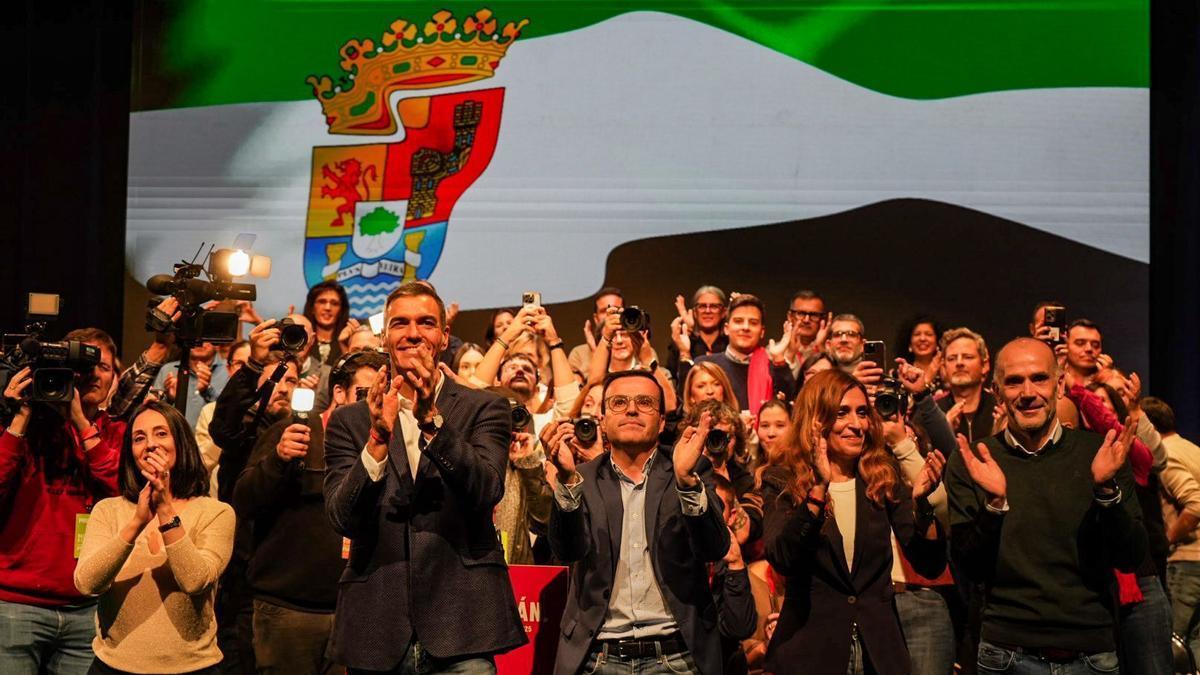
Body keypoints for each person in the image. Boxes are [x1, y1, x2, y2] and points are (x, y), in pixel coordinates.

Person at [322, 282, 524, 673]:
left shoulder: (486, 407)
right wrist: (378, 440)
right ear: (385, 335)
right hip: (377, 626)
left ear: (444, 335)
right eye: (401, 323)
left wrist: (433, 420)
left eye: (426, 322)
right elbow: (341, 518)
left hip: (463, 623)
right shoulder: (350, 420)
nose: (413, 333)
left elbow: (487, 490)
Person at [945, 338, 1145, 674]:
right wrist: (995, 505)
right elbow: (970, 568)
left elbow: (1131, 556)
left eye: (1039, 378)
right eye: (1013, 381)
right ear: (996, 390)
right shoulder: (975, 460)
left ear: (1060, 383)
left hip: (1091, 654)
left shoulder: (1102, 454)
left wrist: (1106, 490)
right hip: (1006, 653)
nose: (1027, 392)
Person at [0, 310, 178, 675]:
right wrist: (19, 418)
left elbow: (124, 491)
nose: (94, 374)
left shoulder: (119, 432)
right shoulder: (25, 424)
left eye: (105, 368)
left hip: (87, 605)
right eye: (84, 364)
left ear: (116, 379)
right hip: (16, 603)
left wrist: (81, 422)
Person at [545, 370, 731, 675]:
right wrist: (566, 482)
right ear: (602, 420)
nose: (631, 409)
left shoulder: (688, 466)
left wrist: (685, 482)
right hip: (598, 657)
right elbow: (567, 551)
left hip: (676, 656)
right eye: (619, 402)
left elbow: (714, 547)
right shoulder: (583, 477)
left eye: (644, 402)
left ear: (660, 422)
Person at [760, 369, 946, 674]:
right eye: (842, 413)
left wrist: (923, 507)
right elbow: (783, 558)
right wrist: (817, 493)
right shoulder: (782, 479)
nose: (857, 424)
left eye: (862, 413)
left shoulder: (881, 475)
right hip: (812, 652)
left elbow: (929, 565)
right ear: (816, 419)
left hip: (878, 652)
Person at [233, 348, 385, 675]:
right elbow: (244, 501)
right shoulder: (294, 432)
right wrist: (278, 459)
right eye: (363, 393)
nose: (372, 403)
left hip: (354, 613)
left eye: (380, 395)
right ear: (338, 392)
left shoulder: (383, 446)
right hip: (289, 612)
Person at [74, 401, 235, 675]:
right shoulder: (108, 510)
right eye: (139, 438)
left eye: (161, 433)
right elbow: (86, 583)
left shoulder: (215, 512)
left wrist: (164, 510)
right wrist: (136, 523)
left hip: (193, 668)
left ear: (181, 442)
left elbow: (194, 580)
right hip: (114, 667)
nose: (150, 444)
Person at [1142, 397, 1200, 664]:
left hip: (1187, 562)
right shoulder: (1191, 448)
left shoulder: (1166, 454)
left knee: (1172, 645)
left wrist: (1165, 541)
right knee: (1195, 646)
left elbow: (1195, 502)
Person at [682, 294, 795, 414]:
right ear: (726, 328)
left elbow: (790, 404)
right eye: (738, 321)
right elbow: (686, 407)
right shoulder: (706, 365)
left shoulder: (774, 367)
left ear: (762, 332)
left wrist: (779, 359)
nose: (745, 327)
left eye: (753, 322)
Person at [194, 339, 251, 498]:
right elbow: (201, 463)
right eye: (240, 364)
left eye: (253, 363)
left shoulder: (268, 410)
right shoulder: (210, 412)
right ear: (229, 368)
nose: (247, 370)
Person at [936, 327, 997, 445]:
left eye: (967, 357)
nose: (959, 363)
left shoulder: (1000, 410)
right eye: (952, 358)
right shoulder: (933, 413)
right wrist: (944, 431)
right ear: (943, 368)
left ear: (984, 365)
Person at [153, 340, 230, 426]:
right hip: (178, 437)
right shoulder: (168, 370)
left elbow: (232, 412)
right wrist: (169, 399)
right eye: (195, 336)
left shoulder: (229, 369)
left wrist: (208, 391)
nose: (199, 342)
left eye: (205, 337)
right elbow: (153, 413)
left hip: (213, 438)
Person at [666, 286, 729, 378]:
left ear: (724, 312)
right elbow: (673, 375)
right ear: (695, 312)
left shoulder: (731, 344)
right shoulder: (685, 343)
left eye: (714, 306)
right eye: (702, 306)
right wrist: (685, 337)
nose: (707, 311)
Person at [567, 287, 625, 377]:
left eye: (615, 309)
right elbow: (583, 390)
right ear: (596, 318)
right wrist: (596, 351)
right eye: (603, 311)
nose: (609, 314)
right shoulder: (579, 354)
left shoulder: (637, 348)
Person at [781, 290, 830, 378]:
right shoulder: (773, 352)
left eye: (814, 315)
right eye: (801, 313)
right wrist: (790, 355)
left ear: (823, 319)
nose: (806, 320)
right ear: (790, 316)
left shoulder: (831, 354)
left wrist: (822, 349)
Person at [303, 281, 351, 366]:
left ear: (341, 310)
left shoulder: (349, 340)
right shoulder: (301, 338)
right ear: (312, 308)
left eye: (334, 303)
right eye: (322, 302)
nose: (328, 308)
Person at [896, 315, 942, 389]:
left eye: (928, 334)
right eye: (917, 334)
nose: (922, 338)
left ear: (937, 341)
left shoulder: (946, 372)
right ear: (909, 343)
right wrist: (927, 379)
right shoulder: (900, 374)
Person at [1062, 319, 1107, 387]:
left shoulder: (1109, 382)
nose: (1089, 349)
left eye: (1095, 345)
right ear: (1066, 345)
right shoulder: (1053, 381)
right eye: (1080, 343)